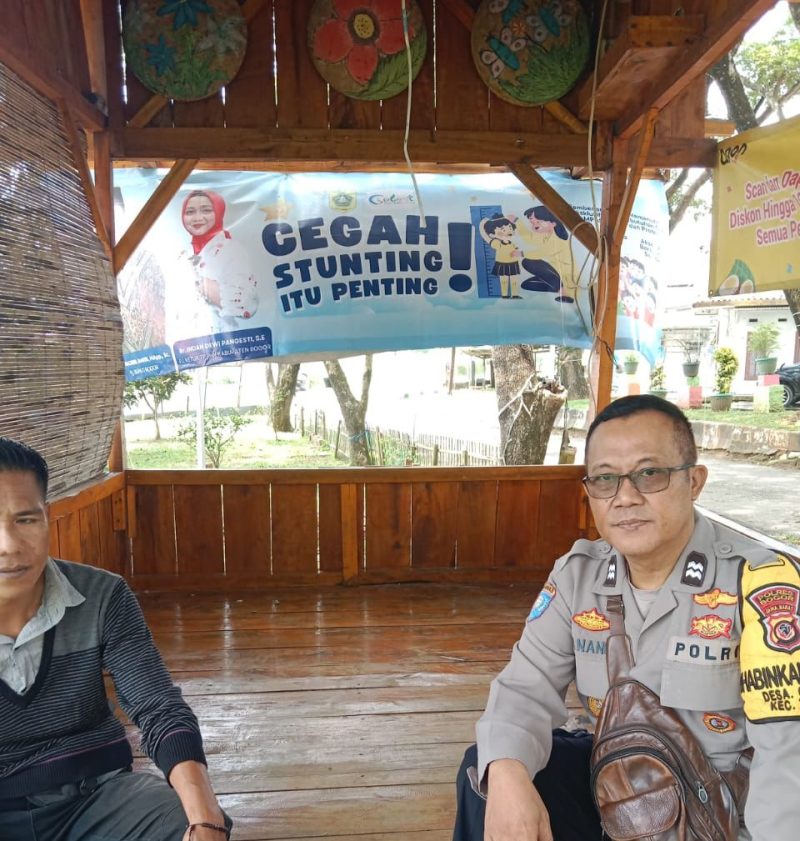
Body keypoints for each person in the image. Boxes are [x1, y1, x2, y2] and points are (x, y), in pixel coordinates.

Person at [453, 394, 799, 841]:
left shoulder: (760, 584)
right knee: (490, 771)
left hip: (720, 817)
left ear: (694, 481)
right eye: (605, 479)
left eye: (649, 474)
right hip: (619, 800)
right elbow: (524, 688)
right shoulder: (579, 576)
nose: (625, 498)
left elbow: (788, 750)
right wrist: (506, 773)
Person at [0, 437, 232, 840]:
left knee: (182, 822)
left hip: (97, 798)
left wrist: (206, 820)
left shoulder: (102, 596)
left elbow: (158, 706)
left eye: (26, 520)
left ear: (47, 517)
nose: (8, 546)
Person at [167, 189, 258, 342]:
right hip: (189, 343)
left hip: (226, 344)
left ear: (218, 212)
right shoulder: (183, 252)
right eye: (190, 212)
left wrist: (197, 281)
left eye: (206, 210)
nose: (197, 218)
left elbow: (247, 305)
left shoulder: (231, 250)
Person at [516, 206, 575, 303]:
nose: (535, 225)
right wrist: (517, 221)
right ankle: (558, 287)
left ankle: (564, 293)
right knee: (526, 284)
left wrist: (521, 253)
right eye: (532, 222)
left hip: (564, 274)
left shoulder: (558, 239)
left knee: (528, 262)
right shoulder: (546, 235)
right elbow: (529, 238)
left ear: (553, 223)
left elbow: (540, 253)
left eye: (538, 222)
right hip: (554, 273)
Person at [479, 214, 522, 299]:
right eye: (503, 230)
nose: (508, 232)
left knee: (514, 280)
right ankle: (505, 295)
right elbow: (486, 237)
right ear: (493, 234)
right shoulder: (497, 243)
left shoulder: (513, 242)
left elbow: (519, 244)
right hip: (502, 264)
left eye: (510, 228)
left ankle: (515, 295)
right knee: (504, 281)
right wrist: (481, 226)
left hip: (513, 263)